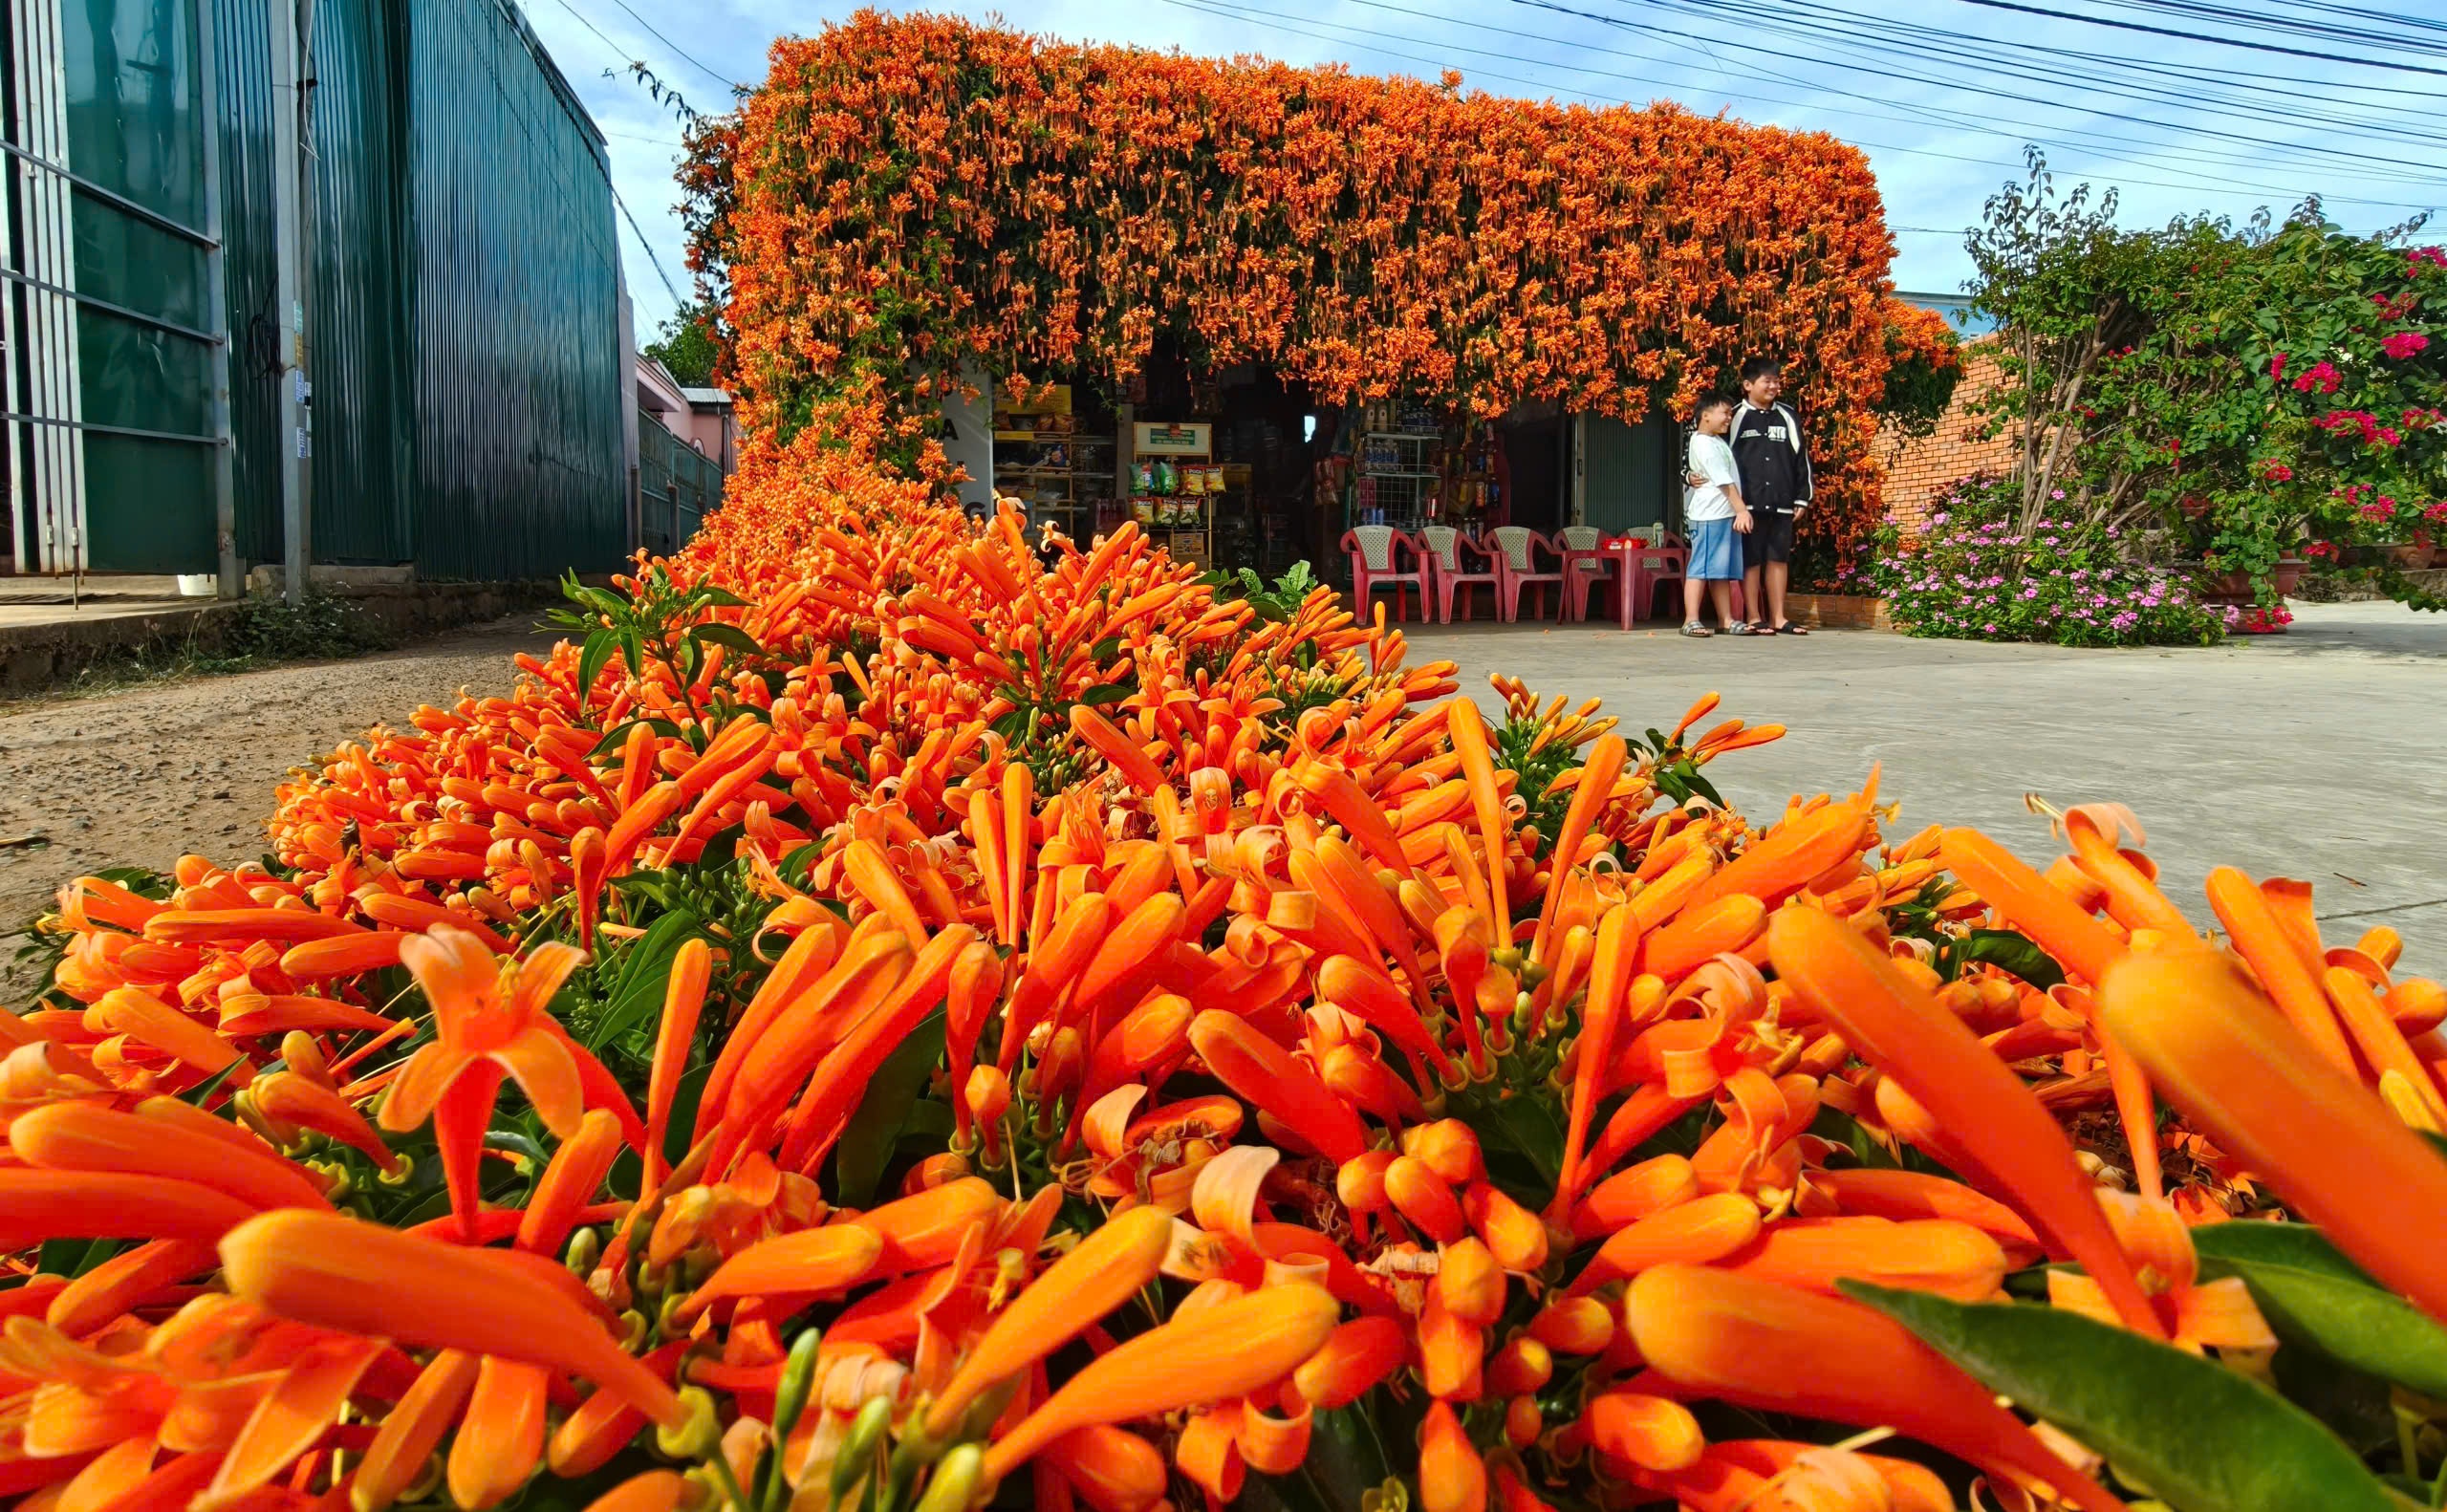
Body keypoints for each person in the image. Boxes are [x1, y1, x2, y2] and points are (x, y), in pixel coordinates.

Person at [1728, 355, 1813, 636]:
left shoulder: (1787, 415)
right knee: (1751, 561)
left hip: (1782, 502)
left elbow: (1801, 458)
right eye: (1768, 381)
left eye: (1777, 381)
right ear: (1748, 385)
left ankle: (1778, 617)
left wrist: (1802, 497)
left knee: (1778, 559)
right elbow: (1720, 455)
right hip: (1748, 504)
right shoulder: (1735, 415)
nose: (1774, 386)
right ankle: (1754, 617)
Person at [1678, 395, 1754, 637]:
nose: (1728, 419)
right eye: (1725, 413)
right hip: (1709, 515)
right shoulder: (1703, 443)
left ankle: (1726, 620)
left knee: (1720, 571)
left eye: (1731, 414)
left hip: (1724, 515)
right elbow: (1723, 481)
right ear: (1706, 415)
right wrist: (1742, 509)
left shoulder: (1717, 441)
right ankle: (1690, 620)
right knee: (1700, 568)